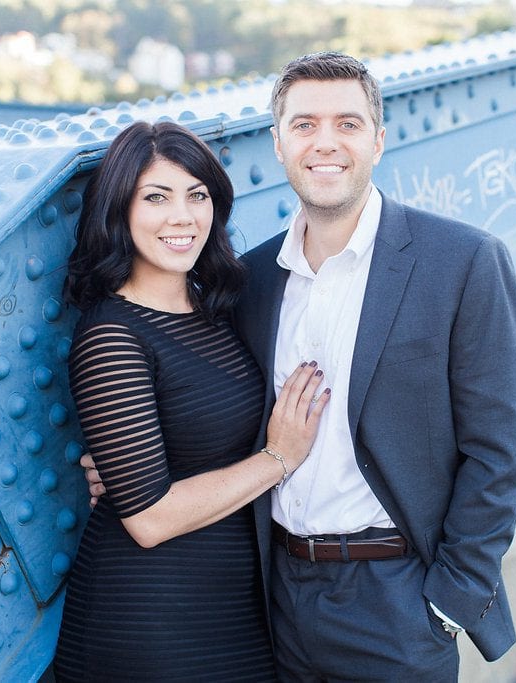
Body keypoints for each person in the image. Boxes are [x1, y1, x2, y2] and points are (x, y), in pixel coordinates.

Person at [85, 52, 516, 680]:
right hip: (272, 598)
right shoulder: (250, 281)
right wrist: (127, 464)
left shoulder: (462, 262)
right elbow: (210, 404)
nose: (326, 143)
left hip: (397, 599)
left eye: (347, 124)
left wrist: (449, 602)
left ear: (378, 140)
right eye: (304, 125)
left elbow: (502, 451)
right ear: (277, 144)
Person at [53, 120, 330, 681]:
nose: (182, 216)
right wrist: (278, 459)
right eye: (156, 197)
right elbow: (149, 518)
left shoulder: (219, 311)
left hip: (237, 609)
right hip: (152, 619)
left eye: (197, 195)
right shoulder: (112, 335)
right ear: (119, 211)